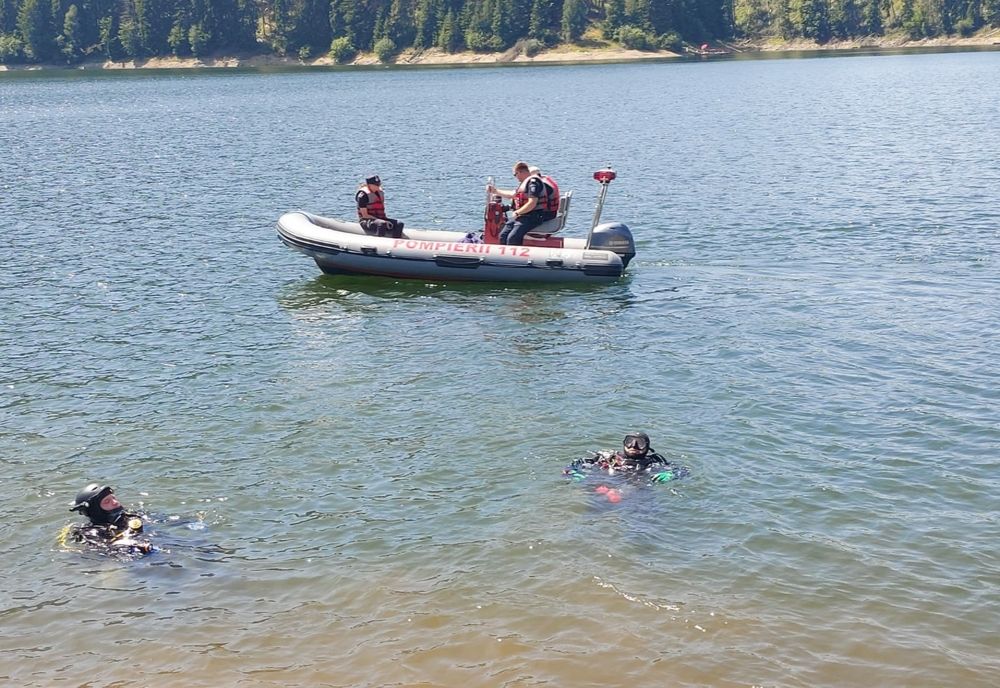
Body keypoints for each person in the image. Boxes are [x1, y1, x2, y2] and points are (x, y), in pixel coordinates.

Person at [564, 432, 685, 484]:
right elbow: (575, 464)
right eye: (630, 442)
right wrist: (574, 472)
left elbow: (683, 471)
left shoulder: (654, 461)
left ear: (647, 447)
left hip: (639, 489)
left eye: (640, 443)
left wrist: (672, 475)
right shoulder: (611, 457)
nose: (634, 446)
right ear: (624, 444)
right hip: (607, 484)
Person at [67, 483, 152, 556]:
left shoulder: (131, 516)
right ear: (95, 510)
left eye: (114, 498)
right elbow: (103, 550)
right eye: (107, 502)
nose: (115, 502)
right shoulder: (89, 533)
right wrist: (128, 544)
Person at [490, 161, 559, 245]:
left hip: (534, 215)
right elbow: (513, 195)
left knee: (513, 237)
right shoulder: (527, 183)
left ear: (520, 172)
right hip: (526, 214)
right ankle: (504, 256)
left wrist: (517, 212)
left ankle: (515, 256)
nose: (516, 177)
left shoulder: (533, 183)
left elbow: (532, 203)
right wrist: (495, 191)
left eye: (515, 175)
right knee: (503, 235)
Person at [356, 174, 404, 238]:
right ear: (369, 185)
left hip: (380, 219)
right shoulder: (363, 196)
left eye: (379, 184)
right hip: (366, 220)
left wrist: (385, 220)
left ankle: (395, 241)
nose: (378, 186)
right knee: (381, 224)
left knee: (399, 224)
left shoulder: (379, 193)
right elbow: (365, 215)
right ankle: (379, 242)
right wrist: (384, 221)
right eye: (376, 185)